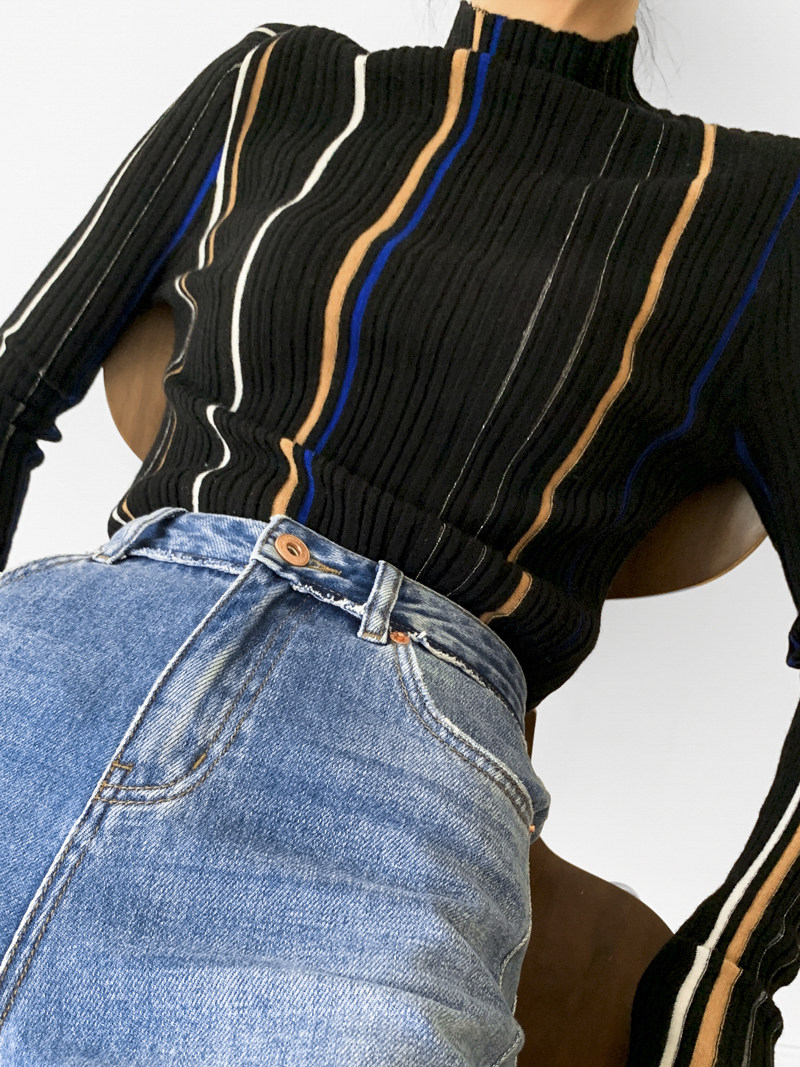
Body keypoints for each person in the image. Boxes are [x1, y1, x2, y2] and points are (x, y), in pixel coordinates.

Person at [0, 0, 798, 1064]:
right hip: (70, 650)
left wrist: (723, 971)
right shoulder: (272, 81)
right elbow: (12, 392)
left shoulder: (758, 208)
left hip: (392, 765)